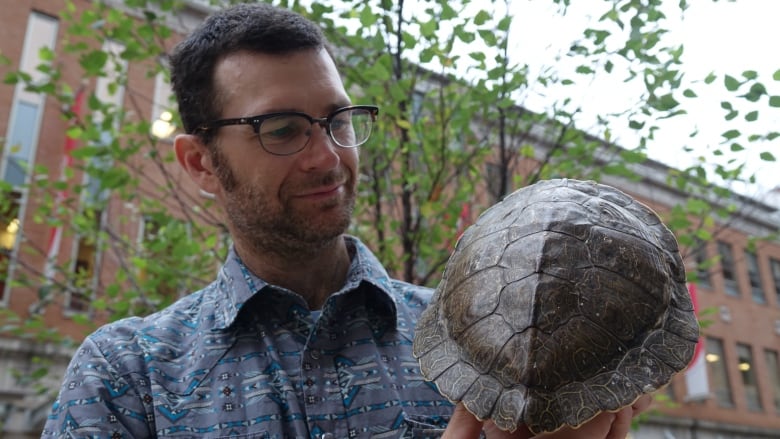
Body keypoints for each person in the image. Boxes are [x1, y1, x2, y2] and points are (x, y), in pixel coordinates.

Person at [41, 3, 651, 438]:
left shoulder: (490, 343)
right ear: (201, 163)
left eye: (338, 120)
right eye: (281, 130)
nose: (328, 157)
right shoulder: (129, 372)